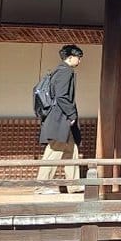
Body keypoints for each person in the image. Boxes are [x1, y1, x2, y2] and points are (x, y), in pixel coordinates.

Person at [36, 45, 85, 195]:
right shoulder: (65, 71)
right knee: (54, 150)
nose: (80, 61)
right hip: (60, 118)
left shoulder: (58, 71)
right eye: (79, 57)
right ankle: (41, 186)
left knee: (72, 151)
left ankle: (74, 185)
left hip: (60, 118)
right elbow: (62, 96)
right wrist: (71, 115)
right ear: (70, 57)